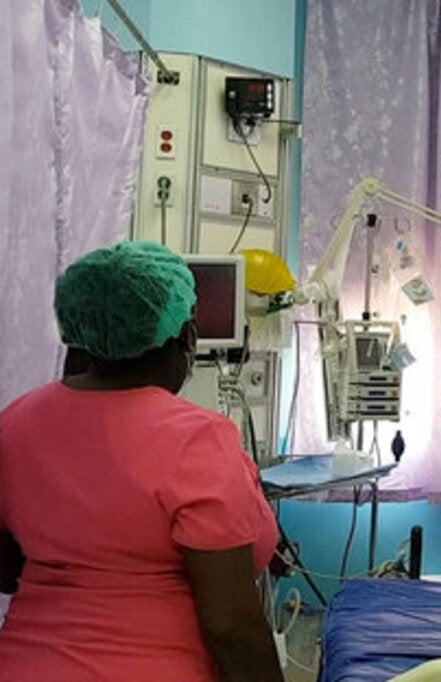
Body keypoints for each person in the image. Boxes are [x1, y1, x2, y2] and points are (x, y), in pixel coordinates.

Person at [0, 241, 282, 681]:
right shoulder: (197, 438)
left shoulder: (17, 422)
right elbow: (232, 627)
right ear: (187, 337)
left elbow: (4, 569)